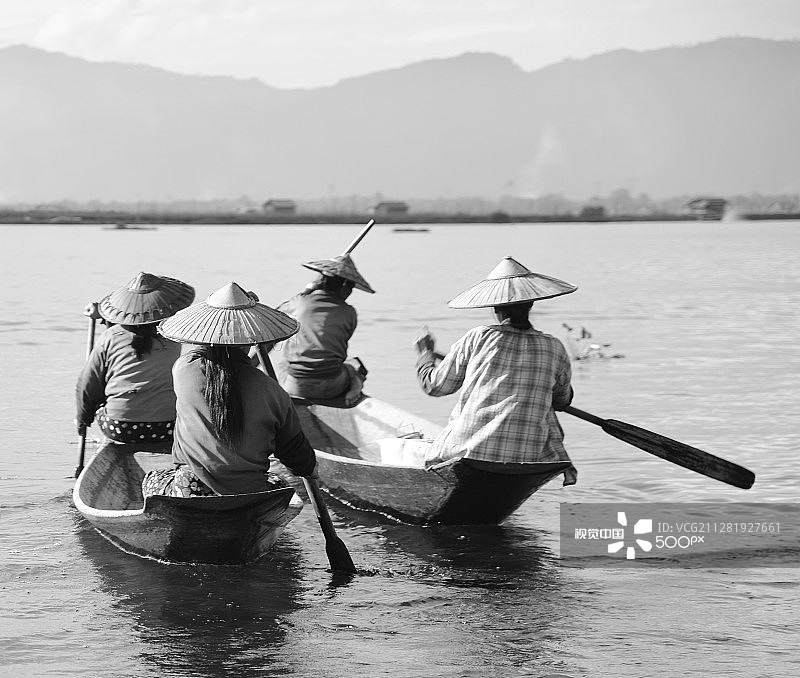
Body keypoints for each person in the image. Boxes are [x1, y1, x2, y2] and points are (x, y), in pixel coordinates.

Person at [410, 256, 579, 485]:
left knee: (413, 449)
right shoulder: (554, 347)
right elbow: (562, 401)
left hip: (469, 455)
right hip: (527, 459)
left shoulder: (478, 337)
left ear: (495, 308)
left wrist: (425, 356)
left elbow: (435, 386)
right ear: (530, 304)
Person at [142, 281, 317, 498]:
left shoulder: (184, 369)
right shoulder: (274, 391)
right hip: (249, 492)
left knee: (151, 479)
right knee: (281, 483)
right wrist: (308, 470)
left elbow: (203, 351)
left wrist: (222, 322)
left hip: (191, 490)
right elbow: (296, 456)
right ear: (250, 342)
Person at [75, 272, 195, 444]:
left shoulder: (110, 336)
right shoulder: (173, 336)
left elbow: (87, 385)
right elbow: (143, 331)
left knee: (104, 391)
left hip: (119, 427)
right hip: (168, 427)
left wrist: (82, 420)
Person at [271, 253, 374, 405]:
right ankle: (355, 387)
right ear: (344, 287)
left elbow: (274, 317)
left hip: (296, 386)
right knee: (355, 366)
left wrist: (305, 293)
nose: (351, 292)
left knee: (282, 365)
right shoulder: (349, 312)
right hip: (334, 385)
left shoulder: (297, 303)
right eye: (350, 287)